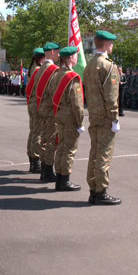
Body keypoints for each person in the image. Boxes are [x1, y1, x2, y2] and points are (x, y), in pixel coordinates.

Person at [84, 30, 121, 205]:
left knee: (94, 153)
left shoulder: (90, 64)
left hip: (94, 114)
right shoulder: (108, 66)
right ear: (106, 44)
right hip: (106, 116)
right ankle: (101, 191)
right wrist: (115, 118)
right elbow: (111, 96)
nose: (112, 46)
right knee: (104, 154)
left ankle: (93, 189)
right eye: (111, 43)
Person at [49, 46, 83, 191]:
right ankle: (65, 180)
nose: (77, 58)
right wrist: (80, 121)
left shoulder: (56, 74)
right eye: (76, 56)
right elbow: (77, 103)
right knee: (69, 149)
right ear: (70, 59)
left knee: (61, 147)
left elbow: (51, 92)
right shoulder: (72, 77)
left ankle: (59, 179)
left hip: (59, 114)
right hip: (70, 117)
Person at [36, 42, 61, 183]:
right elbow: (54, 92)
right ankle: (47, 171)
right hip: (51, 109)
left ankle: (44, 169)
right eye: (57, 52)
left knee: (44, 138)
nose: (58, 55)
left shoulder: (40, 68)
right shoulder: (53, 70)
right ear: (52, 51)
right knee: (51, 140)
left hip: (42, 108)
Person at [25, 47, 45, 174]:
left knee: (33, 132)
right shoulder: (39, 70)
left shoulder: (33, 69)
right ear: (41, 58)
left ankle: (33, 161)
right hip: (37, 103)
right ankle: (36, 160)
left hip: (32, 103)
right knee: (38, 133)